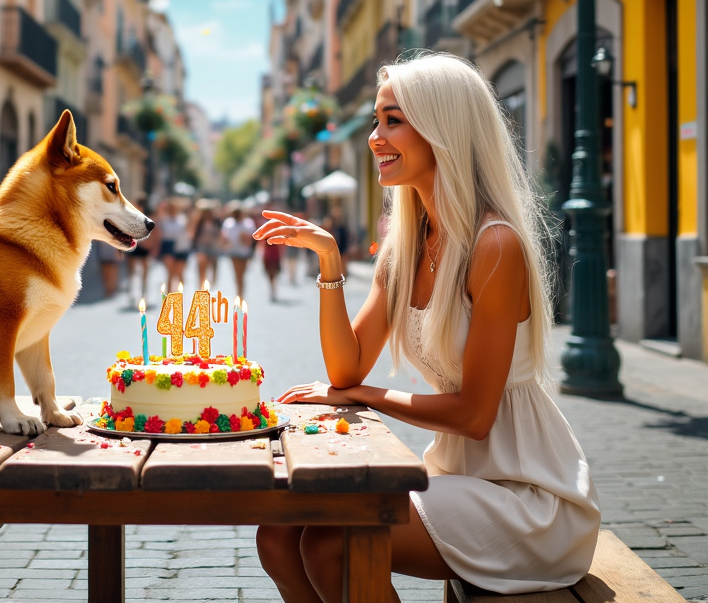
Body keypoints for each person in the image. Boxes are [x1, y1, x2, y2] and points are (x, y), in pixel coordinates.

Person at [253, 53, 599, 603]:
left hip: (526, 496)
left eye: (393, 120)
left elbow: (475, 415)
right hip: (458, 480)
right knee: (276, 537)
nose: (374, 137)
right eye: (375, 120)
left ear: (443, 127)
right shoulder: (408, 246)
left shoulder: (495, 244)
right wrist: (329, 263)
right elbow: (345, 366)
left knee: (330, 545)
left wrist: (361, 395)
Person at [220, 202, 255, 301]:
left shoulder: (248, 223)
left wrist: (244, 238)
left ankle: (240, 292)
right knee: (237, 273)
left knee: (241, 273)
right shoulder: (229, 222)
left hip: (244, 252)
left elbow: (250, 239)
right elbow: (224, 236)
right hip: (234, 251)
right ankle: (239, 292)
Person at [156, 198, 188, 289]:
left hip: (181, 247)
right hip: (168, 246)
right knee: (170, 273)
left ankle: (180, 294)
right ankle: (169, 295)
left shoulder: (182, 218)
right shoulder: (163, 219)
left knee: (179, 273)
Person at [190, 199, 221, 288]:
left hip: (213, 246)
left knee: (213, 266)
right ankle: (201, 285)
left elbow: (219, 233)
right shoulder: (199, 221)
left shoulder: (216, 221)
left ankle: (211, 284)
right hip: (201, 246)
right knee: (202, 267)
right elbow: (192, 233)